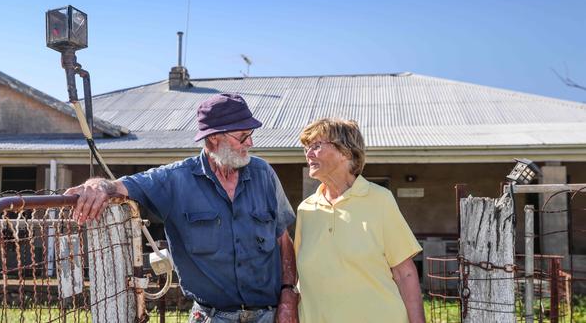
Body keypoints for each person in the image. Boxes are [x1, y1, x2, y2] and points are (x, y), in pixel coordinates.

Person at [65, 93, 299, 323]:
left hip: (268, 315)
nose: (250, 142)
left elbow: (282, 240)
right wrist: (94, 186)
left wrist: (288, 296)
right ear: (214, 138)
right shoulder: (175, 179)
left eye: (251, 134)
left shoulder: (263, 174)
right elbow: (118, 186)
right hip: (212, 317)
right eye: (243, 136)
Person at [294, 118, 425, 323]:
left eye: (316, 146)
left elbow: (404, 273)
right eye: (306, 148)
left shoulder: (379, 200)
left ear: (345, 152)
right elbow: (299, 279)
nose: (308, 154)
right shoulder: (306, 210)